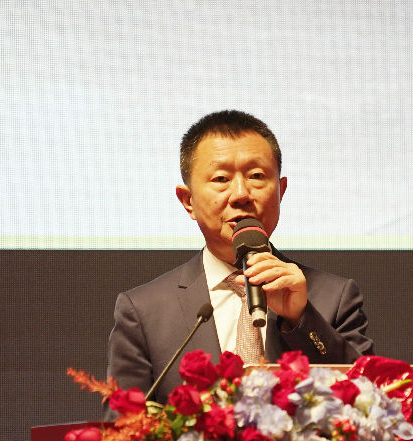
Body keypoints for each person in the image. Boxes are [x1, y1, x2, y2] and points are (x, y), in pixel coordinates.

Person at [107, 110, 375, 404]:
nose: (240, 194)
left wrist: (302, 319)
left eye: (256, 176)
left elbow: (371, 402)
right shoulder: (144, 311)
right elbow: (123, 427)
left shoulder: (335, 297)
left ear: (281, 191)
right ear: (188, 201)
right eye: (221, 178)